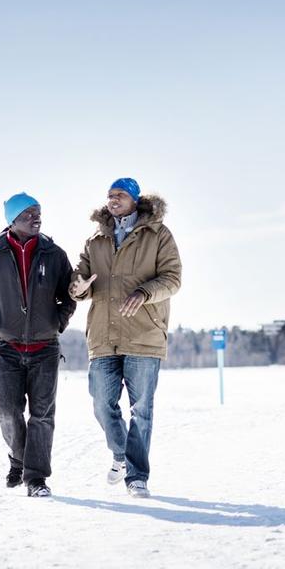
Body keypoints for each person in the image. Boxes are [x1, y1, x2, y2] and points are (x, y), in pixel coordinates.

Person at [69, 178, 182, 499]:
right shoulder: (96, 239)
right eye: (109, 195)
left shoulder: (158, 234)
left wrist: (145, 292)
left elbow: (173, 278)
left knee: (141, 410)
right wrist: (77, 288)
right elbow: (80, 277)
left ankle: (137, 477)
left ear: (135, 199)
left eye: (119, 195)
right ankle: (121, 454)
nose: (112, 200)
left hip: (144, 333)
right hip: (103, 336)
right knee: (102, 404)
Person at [0, 192, 76, 498]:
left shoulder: (54, 253)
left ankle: (36, 479)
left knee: (42, 415)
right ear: (12, 220)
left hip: (45, 348)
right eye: (29, 214)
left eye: (39, 213)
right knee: (7, 410)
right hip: (8, 349)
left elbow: (69, 294)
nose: (36, 218)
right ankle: (19, 458)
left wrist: (57, 322)